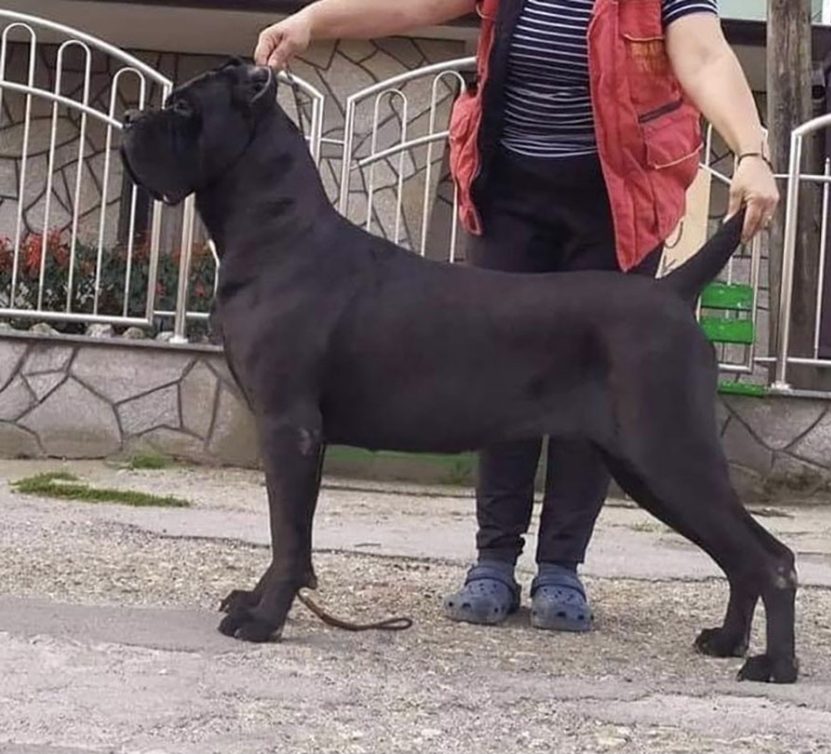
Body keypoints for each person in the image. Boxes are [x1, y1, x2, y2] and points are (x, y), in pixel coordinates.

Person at [255, 0, 778, 633]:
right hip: (510, 195)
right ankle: (494, 561)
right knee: (494, 380)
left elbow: (705, 55)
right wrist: (312, 20)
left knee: (599, 393)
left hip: (617, 199)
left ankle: (561, 568)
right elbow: (413, 3)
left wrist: (750, 151)